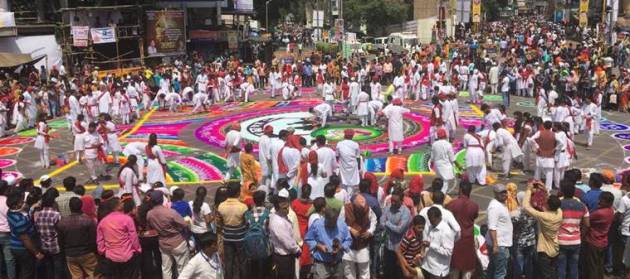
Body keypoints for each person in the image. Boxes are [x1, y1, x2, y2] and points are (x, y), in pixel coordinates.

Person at [522, 181, 563, 279]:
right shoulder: (559, 212)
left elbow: (526, 207)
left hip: (545, 250)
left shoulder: (544, 216)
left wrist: (528, 190)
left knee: (546, 275)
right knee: (553, 272)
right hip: (555, 248)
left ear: (548, 205)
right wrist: (545, 190)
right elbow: (552, 202)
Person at [146, 190, 190, 278]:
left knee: (166, 269)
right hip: (177, 242)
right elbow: (184, 224)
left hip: (163, 243)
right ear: (162, 200)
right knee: (182, 268)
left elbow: (150, 228)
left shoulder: (149, 214)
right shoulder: (170, 212)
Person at [96, 196, 142, 278]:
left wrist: (103, 252)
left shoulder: (103, 222)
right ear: (118, 206)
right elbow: (133, 237)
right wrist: (137, 249)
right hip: (127, 255)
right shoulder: (127, 219)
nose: (123, 203)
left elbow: (100, 241)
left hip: (111, 257)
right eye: (120, 202)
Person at [305, 207, 352, 279]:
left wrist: (341, 247)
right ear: (325, 218)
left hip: (338, 264)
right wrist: (319, 246)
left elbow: (348, 240)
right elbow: (308, 238)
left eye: (334, 222)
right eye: (330, 223)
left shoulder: (342, 225)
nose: (332, 225)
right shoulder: (317, 224)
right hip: (322, 265)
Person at [56, 197, 98, 279]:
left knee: (76, 276)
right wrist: (94, 252)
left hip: (70, 255)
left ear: (70, 207)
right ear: (81, 206)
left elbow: (60, 241)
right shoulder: (88, 221)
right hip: (87, 253)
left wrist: (64, 253)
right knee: (93, 274)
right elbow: (93, 239)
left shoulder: (62, 223)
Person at [7, 189, 43, 279]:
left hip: (15, 245)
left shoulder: (10, 213)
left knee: (24, 269)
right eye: (21, 202)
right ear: (15, 206)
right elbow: (25, 239)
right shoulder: (20, 221)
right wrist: (37, 253)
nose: (23, 202)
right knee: (28, 272)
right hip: (22, 248)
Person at [558, 179, 590, 279]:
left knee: (561, 268)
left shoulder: (558, 204)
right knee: (574, 267)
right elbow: (587, 224)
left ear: (562, 191)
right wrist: (581, 235)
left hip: (561, 240)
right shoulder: (582, 206)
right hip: (576, 241)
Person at [447, 181, 479, 278]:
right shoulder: (474, 206)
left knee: (454, 270)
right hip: (468, 241)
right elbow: (474, 217)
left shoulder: (452, 204)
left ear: (460, 190)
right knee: (467, 271)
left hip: (455, 241)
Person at [217, 182, 248, 279]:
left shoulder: (221, 206)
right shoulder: (243, 207)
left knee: (229, 262)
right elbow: (246, 223)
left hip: (227, 237)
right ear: (238, 192)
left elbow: (219, 224)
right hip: (240, 238)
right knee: (242, 262)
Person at [341, 195, 377, 279]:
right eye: (359, 208)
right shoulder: (345, 208)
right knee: (348, 270)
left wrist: (370, 231)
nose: (362, 210)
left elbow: (374, 220)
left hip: (362, 244)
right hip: (348, 245)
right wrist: (350, 229)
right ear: (354, 205)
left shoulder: (368, 209)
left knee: (364, 271)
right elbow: (340, 223)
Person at [33, 189, 66, 279]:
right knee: (58, 269)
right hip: (55, 246)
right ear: (53, 202)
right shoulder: (56, 215)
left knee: (49, 268)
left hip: (44, 246)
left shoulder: (37, 214)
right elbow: (61, 230)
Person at [582, 192, 615, 279]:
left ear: (607, 202)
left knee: (592, 266)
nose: (599, 201)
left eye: (602, 200)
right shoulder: (611, 211)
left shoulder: (600, 213)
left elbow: (586, 220)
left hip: (593, 241)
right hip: (603, 242)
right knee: (599, 265)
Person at [269, 194, 301, 279]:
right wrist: (297, 250)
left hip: (285, 257)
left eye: (288, 207)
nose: (288, 210)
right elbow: (287, 241)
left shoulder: (279, 217)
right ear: (278, 208)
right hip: (284, 259)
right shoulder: (278, 222)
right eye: (285, 208)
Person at [381, 191, 411, 278]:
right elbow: (381, 222)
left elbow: (399, 230)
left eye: (395, 201)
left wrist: (387, 223)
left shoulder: (406, 212)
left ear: (402, 201)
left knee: (398, 273)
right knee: (388, 271)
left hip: (400, 249)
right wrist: (391, 225)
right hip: (388, 246)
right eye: (392, 200)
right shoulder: (388, 208)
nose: (392, 202)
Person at [421, 206, 456, 278]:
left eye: (432, 220)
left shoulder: (446, 232)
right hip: (427, 266)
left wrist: (431, 245)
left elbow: (448, 252)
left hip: (437, 271)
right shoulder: (432, 226)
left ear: (439, 217)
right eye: (429, 219)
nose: (430, 222)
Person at [487, 184, 513, 279]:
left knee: (493, 268)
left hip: (501, 244)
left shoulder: (501, 203)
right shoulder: (494, 207)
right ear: (495, 194)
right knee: (500, 273)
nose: (504, 194)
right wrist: (495, 245)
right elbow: (492, 227)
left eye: (505, 192)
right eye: (501, 193)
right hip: (499, 245)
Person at [529, 121, 558, 190]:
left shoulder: (540, 132)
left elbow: (531, 139)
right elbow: (561, 143)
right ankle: (548, 188)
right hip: (550, 155)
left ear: (544, 126)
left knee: (538, 171)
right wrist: (555, 149)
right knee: (549, 173)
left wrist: (537, 146)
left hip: (540, 154)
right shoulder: (554, 134)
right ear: (551, 126)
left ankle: (536, 185)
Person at [336, 129, 361, 195]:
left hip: (343, 166)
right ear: (352, 136)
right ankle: (349, 197)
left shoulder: (339, 144)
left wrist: (336, 166)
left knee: (344, 182)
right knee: (351, 184)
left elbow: (337, 156)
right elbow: (358, 157)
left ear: (344, 135)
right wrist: (359, 167)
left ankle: (345, 197)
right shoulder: (356, 144)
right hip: (352, 166)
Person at [431, 128, 456, 193]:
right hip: (445, 165)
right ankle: (441, 195)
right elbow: (452, 158)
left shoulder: (434, 144)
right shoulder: (448, 144)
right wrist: (458, 165)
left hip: (437, 165)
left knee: (439, 179)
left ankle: (438, 192)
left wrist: (431, 163)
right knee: (445, 181)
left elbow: (432, 156)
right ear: (445, 135)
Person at [258, 125, 274, 192]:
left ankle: (261, 190)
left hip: (262, 159)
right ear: (268, 132)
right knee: (268, 176)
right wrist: (271, 162)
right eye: (271, 131)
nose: (272, 133)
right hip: (267, 161)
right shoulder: (267, 140)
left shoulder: (261, 138)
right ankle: (266, 192)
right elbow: (268, 154)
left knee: (264, 176)